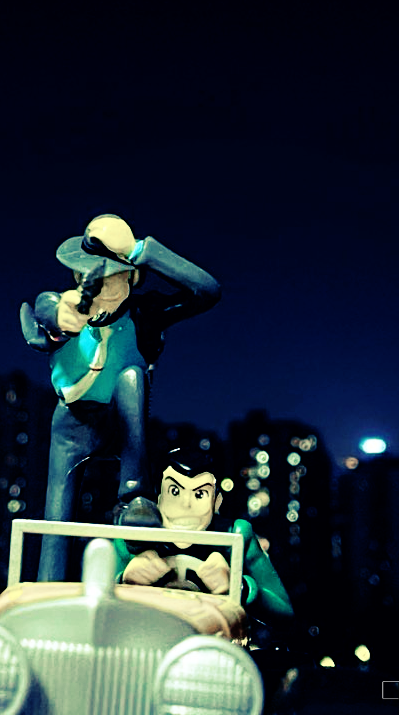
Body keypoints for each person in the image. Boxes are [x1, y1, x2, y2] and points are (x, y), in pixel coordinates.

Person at [21, 215, 220, 581]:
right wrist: (60, 317)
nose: (102, 291)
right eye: (92, 280)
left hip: (124, 421)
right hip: (74, 424)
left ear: (132, 278)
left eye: (113, 280)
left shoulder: (145, 315)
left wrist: (142, 251)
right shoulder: (70, 310)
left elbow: (206, 291)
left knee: (131, 377)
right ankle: (47, 582)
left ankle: (134, 498)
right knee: (56, 520)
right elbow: (45, 311)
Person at [114, 447, 294, 629]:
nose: (186, 505)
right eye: (174, 491)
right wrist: (123, 581)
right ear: (158, 497)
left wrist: (238, 587)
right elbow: (97, 600)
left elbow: (284, 613)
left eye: (199, 494)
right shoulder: (134, 536)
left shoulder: (235, 535)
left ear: (216, 501)